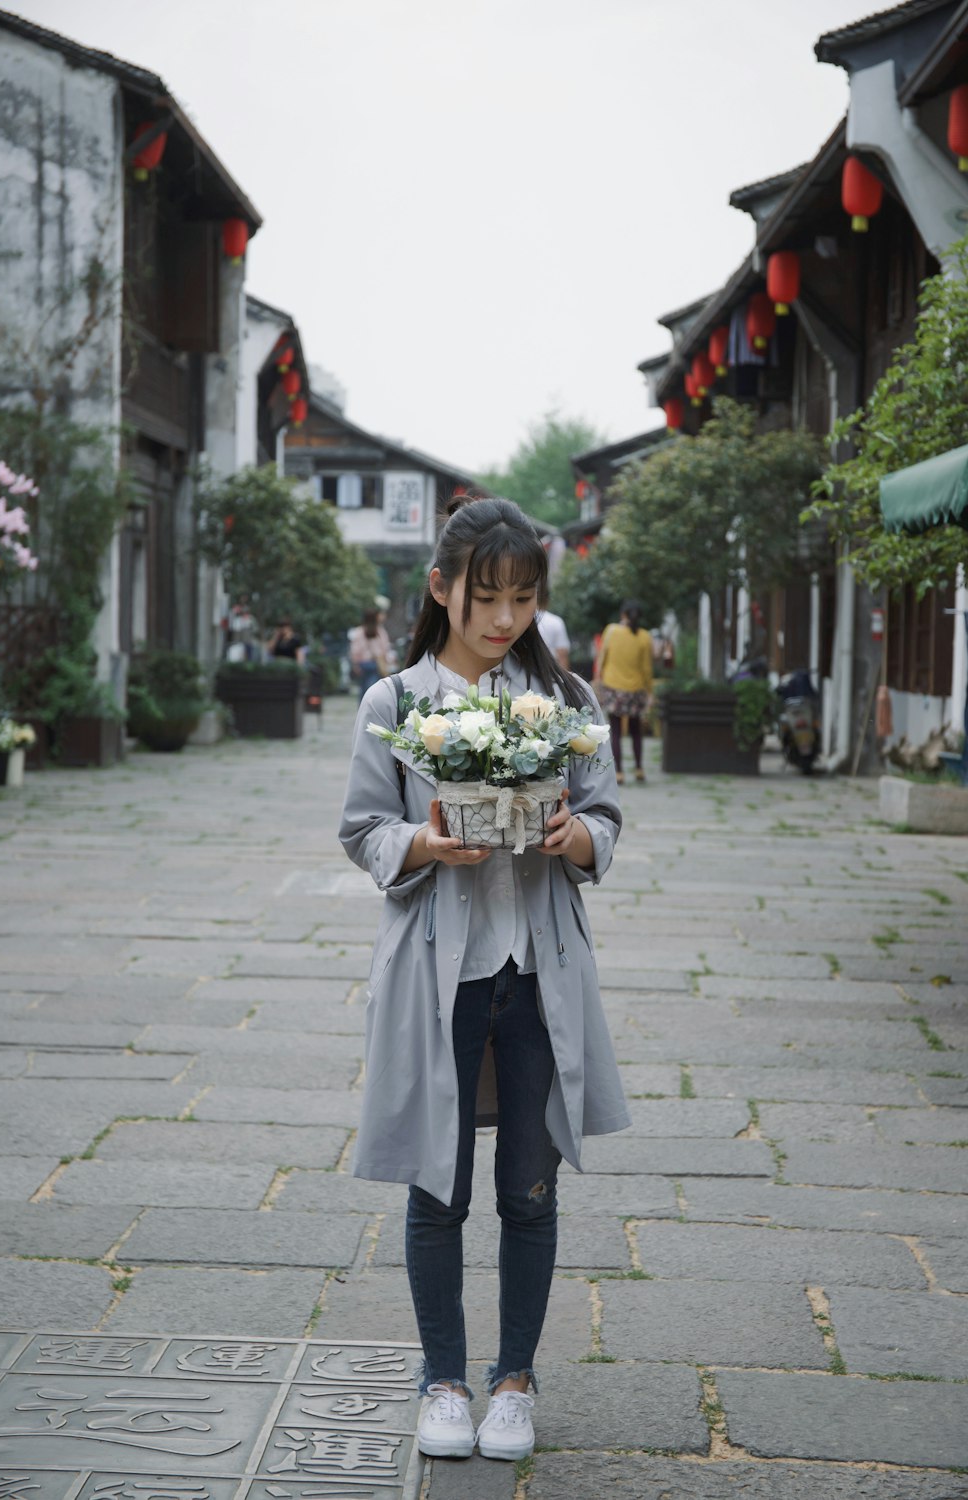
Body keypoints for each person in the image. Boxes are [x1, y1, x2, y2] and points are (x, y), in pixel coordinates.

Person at [339, 496, 629, 1464]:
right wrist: (421, 840)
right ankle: (445, 1381)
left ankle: (514, 1380)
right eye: (485, 597)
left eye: (521, 597)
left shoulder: (566, 702)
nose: (503, 618)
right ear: (440, 590)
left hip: (535, 970)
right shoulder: (396, 703)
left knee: (531, 1185)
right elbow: (361, 829)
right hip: (440, 974)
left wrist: (574, 834)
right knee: (437, 1185)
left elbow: (605, 821)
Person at [594, 601, 652, 785]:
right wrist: (649, 691)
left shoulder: (611, 631)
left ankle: (619, 772)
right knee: (636, 730)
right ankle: (639, 768)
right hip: (635, 689)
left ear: (623, 615)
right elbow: (646, 668)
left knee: (617, 731)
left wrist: (598, 677)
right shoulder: (645, 636)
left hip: (613, 686)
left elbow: (602, 656)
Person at [348, 608, 393, 699]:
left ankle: (362, 707)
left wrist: (355, 665)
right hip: (376, 664)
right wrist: (387, 663)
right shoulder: (380, 632)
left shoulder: (359, 632)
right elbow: (385, 649)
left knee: (363, 688)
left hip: (362, 665)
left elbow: (355, 651)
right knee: (372, 687)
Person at [535, 589, 571, 670]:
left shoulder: (523, 621)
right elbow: (562, 654)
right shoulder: (556, 621)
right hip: (549, 672)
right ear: (547, 600)